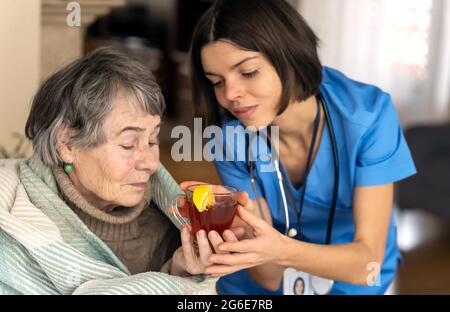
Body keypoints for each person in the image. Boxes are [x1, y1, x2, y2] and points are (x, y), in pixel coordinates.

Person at [188, 0, 417, 294]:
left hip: (351, 274)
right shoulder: (228, 136)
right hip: (268, 278)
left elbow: (366, 264)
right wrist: (244, 231)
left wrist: (278, 249)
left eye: (248, 72)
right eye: (217, 82)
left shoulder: (369, 117)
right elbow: (269, 278)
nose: (230, 95)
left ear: (290, 56)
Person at [0, 47, 232, 295]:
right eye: (128, 144)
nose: (151, 163)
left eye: (152, 141)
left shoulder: (175, 231)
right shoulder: (13, 227)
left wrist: (178, 273)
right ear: (66, 144)